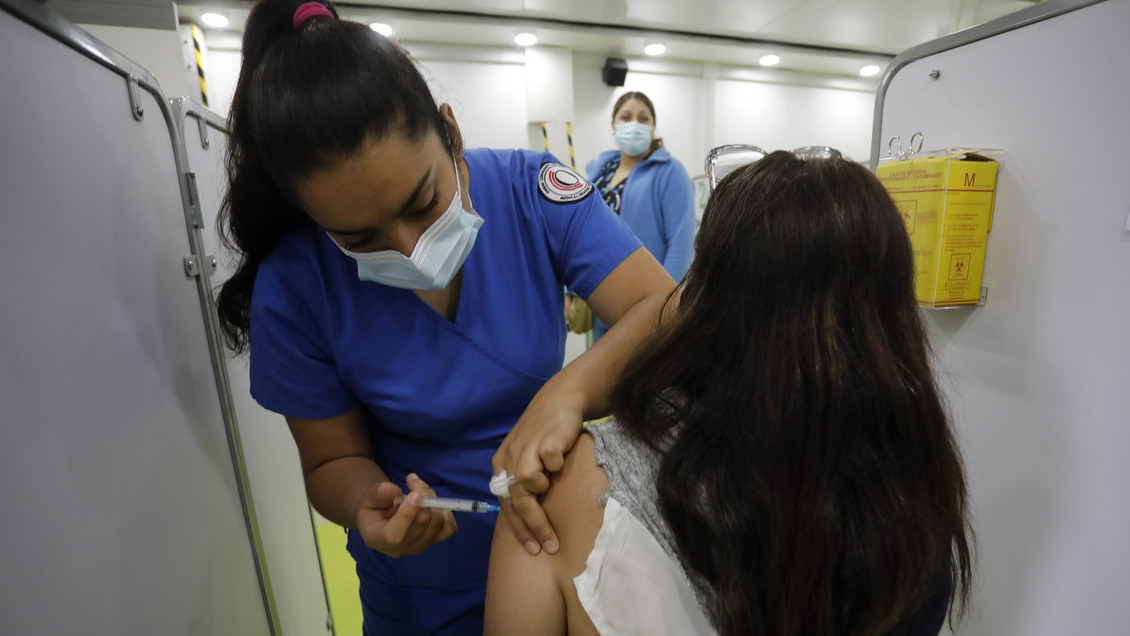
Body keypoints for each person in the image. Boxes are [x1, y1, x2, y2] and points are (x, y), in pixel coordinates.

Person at [215, 1, 676, 633]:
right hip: (421, 585)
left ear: (451, 132)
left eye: (423, 201)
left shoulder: (531, 191)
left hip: (556, 540)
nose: (409, 249)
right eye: (358, 237)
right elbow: (328, 463)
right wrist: (367, 506)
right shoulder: (296, 285)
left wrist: (565, 393)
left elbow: (667, 310)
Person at [485, 149, 974, 636]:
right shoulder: (917, 506)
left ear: (704, 294)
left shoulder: (562, 496)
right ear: (890, 319)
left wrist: (566, 391)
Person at [567, 91, 695, 340]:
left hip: (645, 307)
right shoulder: (599, 172)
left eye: (643, 118)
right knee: (605, 377)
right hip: (599, 302)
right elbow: (577, 231)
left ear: (653, 127)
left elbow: (681, 243)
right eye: (625, 117)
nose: (634, 123)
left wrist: (663, 305)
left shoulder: (671, 172)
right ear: (614, 126)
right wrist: (568, 291)